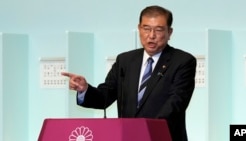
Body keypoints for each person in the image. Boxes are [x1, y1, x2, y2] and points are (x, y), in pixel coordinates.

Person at [62, 5, 196, 141]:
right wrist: (84, 90)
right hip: (127, 136)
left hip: (163, 137)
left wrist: (146, 129)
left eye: (159, 30)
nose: (151, 35)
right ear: (139, 29)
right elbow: (105, 96)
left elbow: (176, 103)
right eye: (146, 29)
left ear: (169, 32)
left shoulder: (183, 61)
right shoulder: (125, 60)